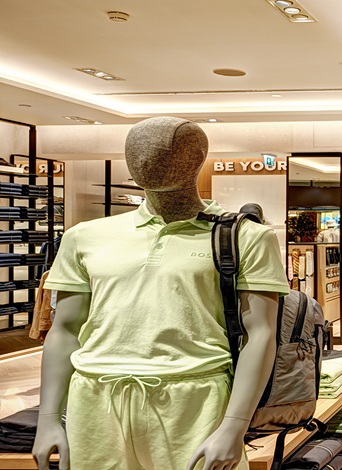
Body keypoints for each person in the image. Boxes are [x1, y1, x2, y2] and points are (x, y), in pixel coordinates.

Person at [32, 117, 290, 470]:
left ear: (196, 158)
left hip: (194, 399)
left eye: (168, 150)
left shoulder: (246, 237)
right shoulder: (84, 236)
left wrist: (234, 425)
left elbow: (260, 333)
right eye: (137, 150)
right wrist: (48, 417)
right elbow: (64, 330)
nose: (147, 158)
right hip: (94, 402)